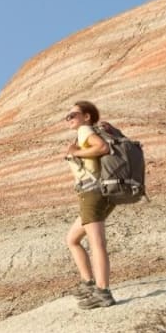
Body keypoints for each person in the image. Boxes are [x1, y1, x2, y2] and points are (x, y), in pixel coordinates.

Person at [63, 100, 116, 308]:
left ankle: (103, 292)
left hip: (92, 192)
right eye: (67, 116)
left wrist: (75, 152)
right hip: (97, 192)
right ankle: (88, 283)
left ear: (86, 117)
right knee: (72, 239)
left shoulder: (85, 130)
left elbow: (102, 147)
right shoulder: (84, 133)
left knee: (96, 242)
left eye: (73, 115)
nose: (69, 119)